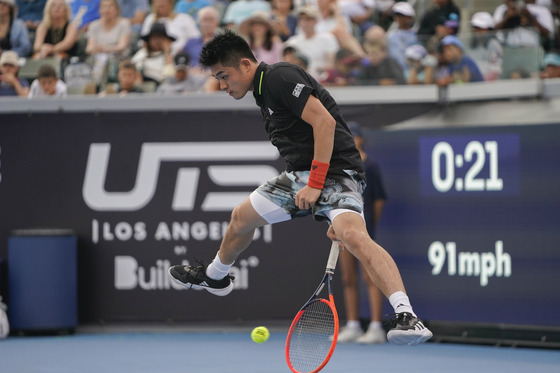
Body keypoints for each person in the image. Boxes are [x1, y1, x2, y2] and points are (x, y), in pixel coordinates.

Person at [168, 29, 433, 347]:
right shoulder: (261, 92)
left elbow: (325, 123)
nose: (222, 86)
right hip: (299, 175)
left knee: (354, 237)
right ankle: (215, 275)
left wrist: (318, 184)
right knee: (241, 218)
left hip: (336, 172)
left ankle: (407, 316)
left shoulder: (279, 76)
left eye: (224, 76)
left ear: (245, 64)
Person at [335, 121, 387, 344]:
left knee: (370, 277)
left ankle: (376, 327)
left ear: (361, 139)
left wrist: (369, 224)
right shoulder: (340, 167)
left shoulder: (371, 166)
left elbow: (379, 200)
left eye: (355, 136)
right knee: (348, 277)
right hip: (345, 231)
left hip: (366, 232)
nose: (352, 140)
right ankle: (354, 325)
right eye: (349, 137)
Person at [283, 6, 339, 78]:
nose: (304, 22)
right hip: (299, 80)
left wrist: (314, 70)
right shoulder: (292, 42)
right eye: (301, 19)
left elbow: (331, 64)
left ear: (316, 21)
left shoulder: (327, 38)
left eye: (308, 19)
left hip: (322, 80)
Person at [468, 11, 503, 81]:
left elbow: (496, 69)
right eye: (475, 28)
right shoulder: (471, 46)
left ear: (489, 29)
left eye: (480, 28)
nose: (477, 31)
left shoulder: (495, 45)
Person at [386, 1, 418, 74]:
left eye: (402, 15)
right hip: (394, 72)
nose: (399, 18)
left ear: (410, 17)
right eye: (397, 15)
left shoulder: (416, 34)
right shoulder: (390, 35)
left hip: (412, 72)